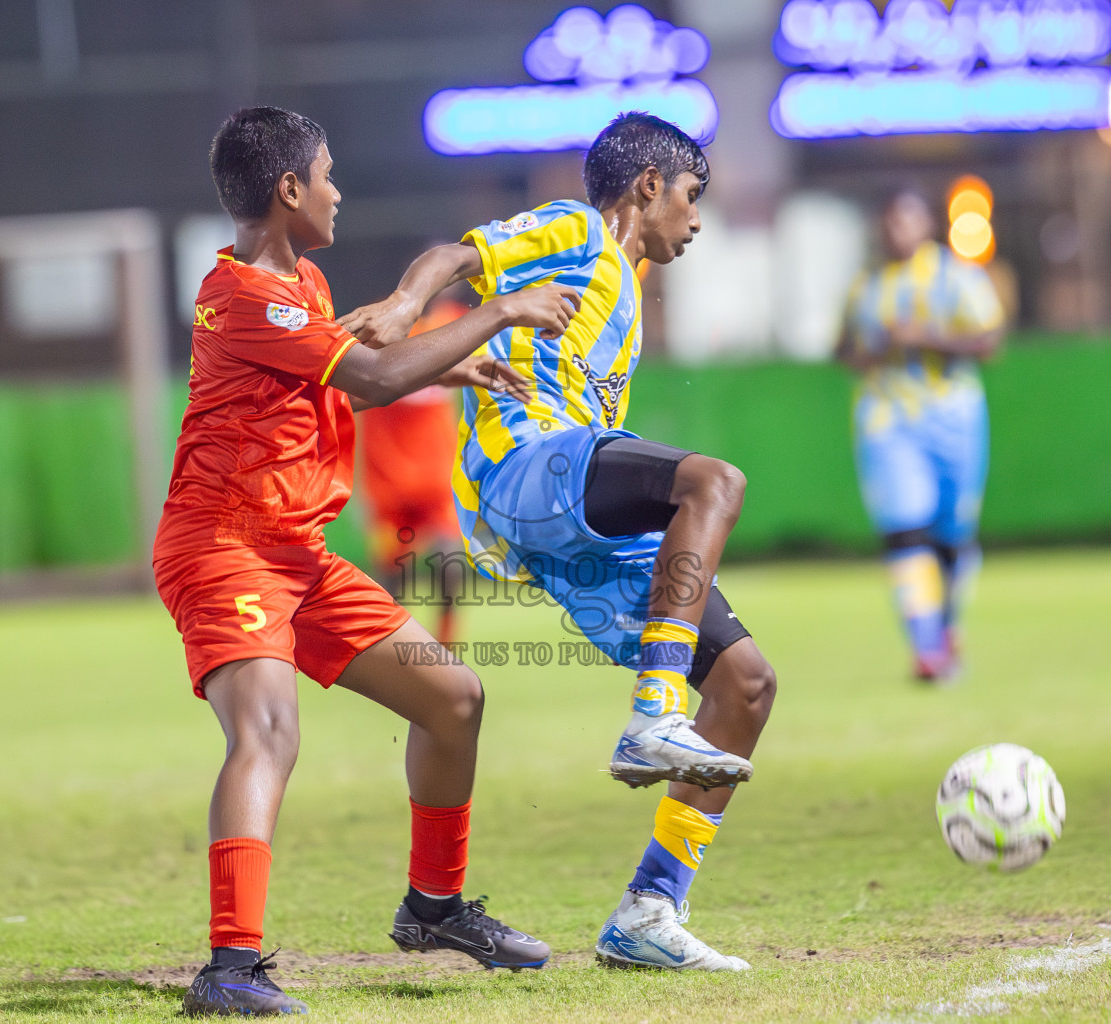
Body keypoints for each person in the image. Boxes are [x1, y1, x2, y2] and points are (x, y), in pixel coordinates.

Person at [153, 106, 579, 1017]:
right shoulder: (245, 295)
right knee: (268, 730)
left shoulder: (299, 284)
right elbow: (375, 375)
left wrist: (450, 367)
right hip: (224, 546)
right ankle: (230, 969)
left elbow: (353, 368)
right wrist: (498, 310)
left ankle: (434, 906)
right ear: (290, 189)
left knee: (454, 698)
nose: (340, 191)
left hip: (295, 554)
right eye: (329, 173)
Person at [339, 112, 776, 972]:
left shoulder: (626, 289)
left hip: (564, 507)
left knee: (746, 685)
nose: (695, 218)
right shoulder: (578, 230)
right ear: (648, 184)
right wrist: (402, 304)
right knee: (713, 482)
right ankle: (654, 716)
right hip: (527, 463)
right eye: (692, 196)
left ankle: (650, 911)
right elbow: (460, 256)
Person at [833, 189, 1006, 684]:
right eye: (889, 221)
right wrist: (870, 354)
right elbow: (842, 349)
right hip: (886, 419)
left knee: (952, 537)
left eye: (906, 220)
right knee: (904, 529)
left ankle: (947, 627)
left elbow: (989, 342)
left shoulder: (957, 276)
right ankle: (926, 646)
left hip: (954, 417)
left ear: (926, 224)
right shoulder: (865, 285)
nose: (896, 230)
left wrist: (925, 337)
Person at [356, 289, 471, 645]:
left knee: (450, 561)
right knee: (394, 585)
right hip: (388, 484)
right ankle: (393, 652)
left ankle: (447, 643)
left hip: (435, 482)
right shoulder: (377, 341)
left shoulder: (449, 326)